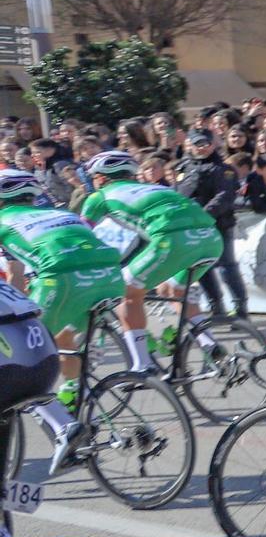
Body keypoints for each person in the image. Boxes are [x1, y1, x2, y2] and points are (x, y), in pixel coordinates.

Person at [0, 169, 124, 471]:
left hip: (63, 280)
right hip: (111, 276)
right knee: (60, 338)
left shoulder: (4, 221)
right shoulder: (54, 213)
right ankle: (83, 412)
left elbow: (14, 279)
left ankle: (64, 427)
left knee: (27, 354)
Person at [77, 151, 226, 375]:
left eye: (94, 176)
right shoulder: (157, 187)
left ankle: (142, 365)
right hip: (211, 238)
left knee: (126, 293)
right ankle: (210, 345)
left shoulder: (99, 197)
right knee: (173, 288)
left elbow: (80, 238)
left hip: (172, 240)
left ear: (101, 177)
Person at [175, 129, 251, 318]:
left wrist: (203, 216)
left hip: (218, 225)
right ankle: (216, 306)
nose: (202, 148)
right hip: (191, 227)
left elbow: (224, 197)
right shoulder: (184, 168)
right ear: (190, 146)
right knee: (199, 267)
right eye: (197, 144)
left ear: (212, 145)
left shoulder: (223, 169)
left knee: (227, 266)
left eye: (205, 144)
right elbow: (177, 195)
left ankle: (240, 308)